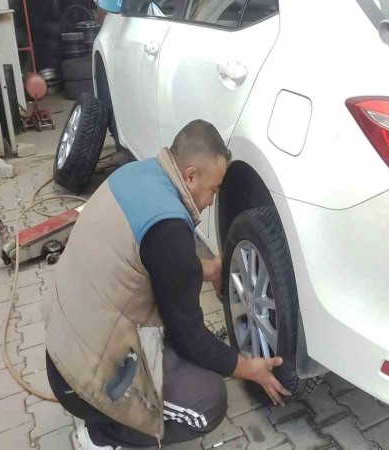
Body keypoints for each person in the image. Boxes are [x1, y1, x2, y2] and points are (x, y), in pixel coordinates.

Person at [44, 120, 291, 449]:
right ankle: (100, 435)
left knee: (176, 344)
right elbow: (190, 338)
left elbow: (156, 260)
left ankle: (102, 409)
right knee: (206, 403)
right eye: (214, 189)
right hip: (79, 380)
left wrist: (206, 270)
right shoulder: (170, 230)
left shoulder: (138, 175)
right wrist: (248, 368)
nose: (212, 201)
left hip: (65, 344)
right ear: (191, 176)